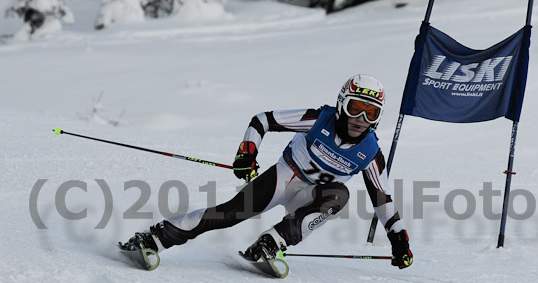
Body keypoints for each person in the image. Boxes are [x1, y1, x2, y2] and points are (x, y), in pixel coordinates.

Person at [120, 74, 413, 269]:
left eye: (370, 113)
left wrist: (399, 240)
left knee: (340, 194)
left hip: (315, 196)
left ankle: (272, 243)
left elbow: (382, 201)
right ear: (341, 105)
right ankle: (152, 239)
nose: (360, 119)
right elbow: (262, 120)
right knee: (228, 214)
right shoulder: (316, 119)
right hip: (285, 177)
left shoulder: (371, 153)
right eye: (355, 108)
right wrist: (247, 152)